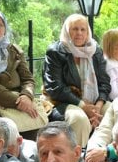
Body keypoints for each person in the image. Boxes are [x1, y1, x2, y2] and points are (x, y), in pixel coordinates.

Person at [43, 14, 111, 148]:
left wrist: (97, 107)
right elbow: (55, 87)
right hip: (63, 103)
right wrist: (82, 105)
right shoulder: (55, 52)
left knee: (114, 110)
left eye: (83, 29)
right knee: (79, 119)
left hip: (94, 103)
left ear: (88, 32)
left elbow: (104, 83)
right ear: (67, 31)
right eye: (74, 29)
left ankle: (103, 154)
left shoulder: (95, 51)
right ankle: (77, 161)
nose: (79, 33)